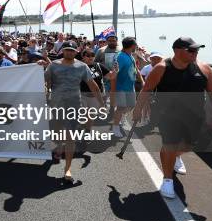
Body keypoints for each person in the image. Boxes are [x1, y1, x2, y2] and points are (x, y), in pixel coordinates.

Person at [132, 37, 212, 199]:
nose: (195, 53)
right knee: (169, 144)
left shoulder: (203, 68)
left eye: (197, 50)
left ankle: (176, 156)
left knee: (189, 145)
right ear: (177, 51)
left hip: (195, 116)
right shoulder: (161, 68)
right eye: (192, 50)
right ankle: (167, 180)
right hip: (168, 116)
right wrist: (137, 110)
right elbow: (146, 90)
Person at [44, 42, 104, 182]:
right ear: (63, 51)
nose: (69, 52)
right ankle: (59, 146)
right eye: (67, 50)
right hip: (56, 104)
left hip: (74, 105)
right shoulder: (54, 65)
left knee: (70, 136)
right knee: (57, 133)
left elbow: (93, 86)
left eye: (72, 50)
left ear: (76, 51)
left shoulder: (82, 67)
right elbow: (44, 80)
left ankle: (68, 169)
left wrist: (101, 104)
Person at [111, 37, 142, 138]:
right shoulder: (120, 57)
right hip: (121, 88)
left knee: (132, 105)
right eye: (135, 45)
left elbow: (136, 69)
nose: (136, 46)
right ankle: (115, 126)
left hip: (130, 87)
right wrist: (113, 89)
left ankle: (120, 117)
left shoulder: (130, 56)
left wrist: (142, 81)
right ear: (132, 46)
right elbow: (114, 73)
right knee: (120, 107)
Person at [80, 49, 115, 133]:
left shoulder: (99, 66)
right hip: (82, 95)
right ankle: (80, 129)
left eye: (92, 55)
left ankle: (87, 131)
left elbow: (110, 76)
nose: (90, 57)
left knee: (91, 116)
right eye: (88, 55)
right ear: (83, 57)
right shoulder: (79, 67)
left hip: (95, 96)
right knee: (82, 116)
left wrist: (116, 71)